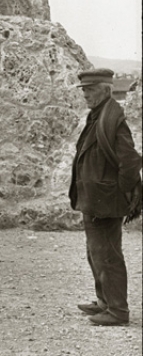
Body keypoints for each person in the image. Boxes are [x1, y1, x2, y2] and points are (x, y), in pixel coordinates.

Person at [70, 68, 141, 326]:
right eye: (84, 90)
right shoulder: (100, 115)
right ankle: (104, 302)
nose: (85, 95)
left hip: (105, 200)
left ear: (104, 90)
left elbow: (131, 162)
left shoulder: (113, 120)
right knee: (95, 252)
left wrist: (117, 191)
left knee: (107, 255)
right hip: (95, 198)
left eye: (89, 90)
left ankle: (118, 310)